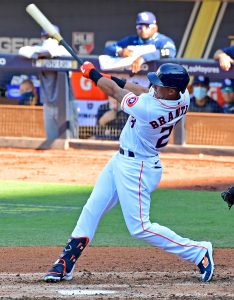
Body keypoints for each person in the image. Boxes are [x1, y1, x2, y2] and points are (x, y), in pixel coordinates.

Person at [43, 62, 214, 283]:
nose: (154, 86)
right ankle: (66, 262)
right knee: (92, 209)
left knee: (140, 227)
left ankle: (198, 251)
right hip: (122, 160)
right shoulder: (183, 96)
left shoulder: (149, 110)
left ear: (171, 90)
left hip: (138, 168)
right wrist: (111, 78)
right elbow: (142, 90)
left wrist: (92, 74)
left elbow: (116, 93)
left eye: (159, 84)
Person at [19, 26, 77, 142]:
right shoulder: (39, 50)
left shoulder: (63, 50)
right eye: (46, 37)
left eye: (51, 38)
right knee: (51, 141)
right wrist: (39, 53)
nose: (48, 40)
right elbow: (23, 50)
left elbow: (53, 51)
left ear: (57, 39)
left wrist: (46, 51)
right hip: (48, 104)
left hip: (66, 103)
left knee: (70, 141)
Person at [104, 11, 176, 73]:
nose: (143, 30)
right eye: (140, 27)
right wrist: (120, 51)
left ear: (155, 28)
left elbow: (171, 51)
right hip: (134, 79)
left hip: (157, 80)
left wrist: (143, 57)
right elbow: (109, 48)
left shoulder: (162, 40)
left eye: (147, 26)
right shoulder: (132, 40)